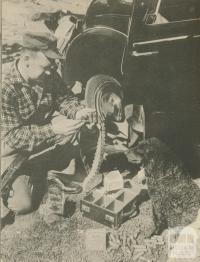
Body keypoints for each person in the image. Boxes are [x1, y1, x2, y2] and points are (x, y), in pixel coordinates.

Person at [1, 31, 96, 218]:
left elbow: (64, 98)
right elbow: (13, 137)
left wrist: (78, 111)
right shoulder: (5, 87)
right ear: (27, 59)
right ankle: (27, 172)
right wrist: (53, 129)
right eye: (45, 67)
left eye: (52, 66)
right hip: (9, 145)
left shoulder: (47, 72)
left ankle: (42, 168)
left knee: (73, 127)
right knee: (22, 204)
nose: (50, 72)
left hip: (37, 133)